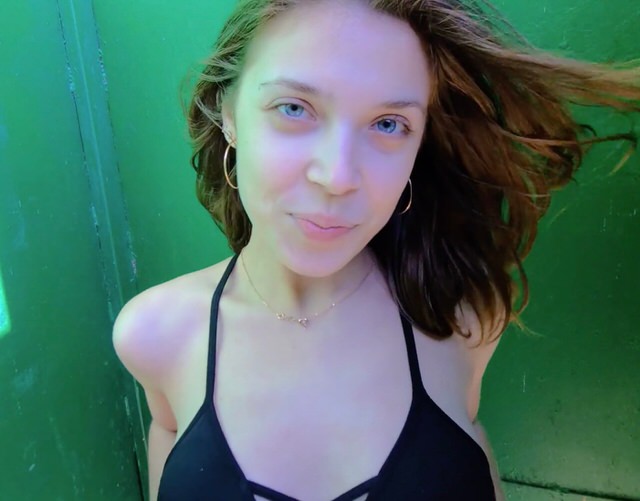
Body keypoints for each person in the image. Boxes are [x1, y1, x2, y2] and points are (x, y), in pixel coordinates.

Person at [113, 0, 640, 499]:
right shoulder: (154, 335)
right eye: (294, 108)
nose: (338, 176)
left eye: (389, 124)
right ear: (228, 113)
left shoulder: (465, 319)